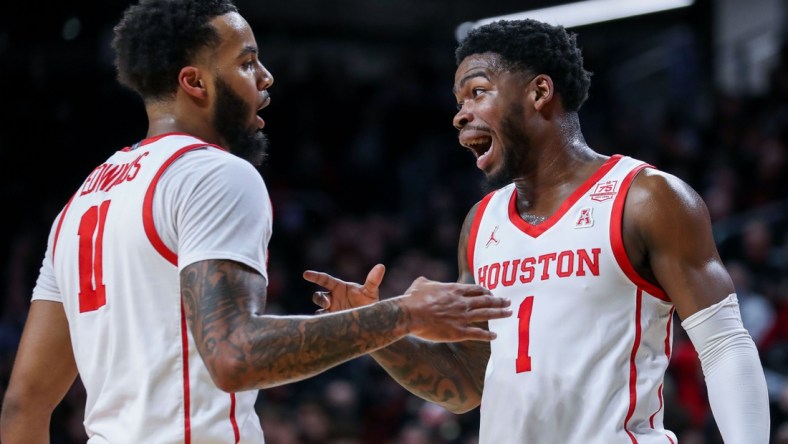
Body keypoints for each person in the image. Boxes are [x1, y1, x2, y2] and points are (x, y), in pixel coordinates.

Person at [0, 1, 513, 442]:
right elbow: (235, 357)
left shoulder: (82, 202)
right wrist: (403, 313)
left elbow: (24, 405)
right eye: (247, 64)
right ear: (194, 82)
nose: (266, 77)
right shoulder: (213, 173)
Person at [306, 18, 770, 443]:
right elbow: (466, 385)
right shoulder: (480, 224)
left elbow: (725, 344)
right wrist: (372, 330)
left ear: (540, 91)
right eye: (458, 101)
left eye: (477, 92)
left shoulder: (646, 198)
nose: (460, 114)